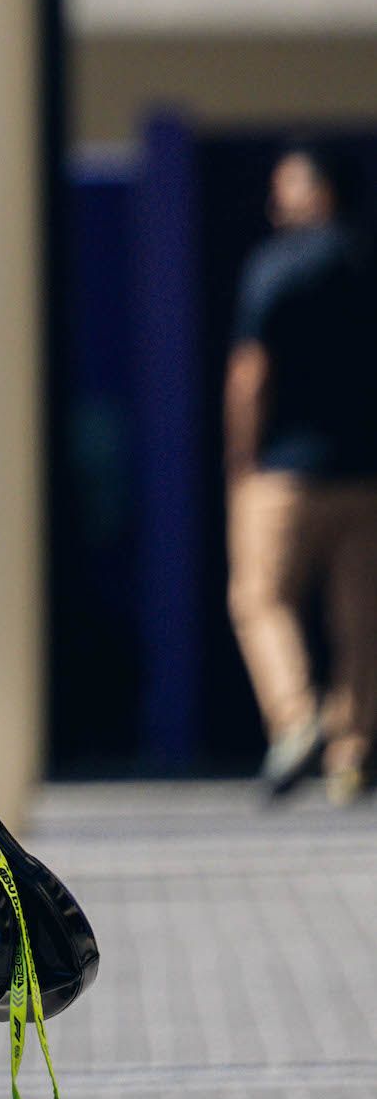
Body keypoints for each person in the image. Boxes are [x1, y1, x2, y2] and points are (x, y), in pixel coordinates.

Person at [225, 141, 377, 804]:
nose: (274, 201)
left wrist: (240, 459)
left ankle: (294, 719)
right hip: (364, 474)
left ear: (315, 193)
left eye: (285, 187)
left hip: (284, 475)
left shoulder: (274, 265)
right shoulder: (366, 261)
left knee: (259, 600)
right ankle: (350, 753)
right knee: (360, 622)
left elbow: (250, 372)